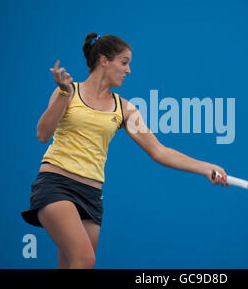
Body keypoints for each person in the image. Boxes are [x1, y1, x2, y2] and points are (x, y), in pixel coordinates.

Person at [21, 33, 229, 269]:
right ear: (103, 61)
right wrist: (64, 92)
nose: (128, 70)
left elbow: (159, 151)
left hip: (90, 195)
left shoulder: (125, 109)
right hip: (55, 184)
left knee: (71, 264)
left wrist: (205, 168)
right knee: (85, 259)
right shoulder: (69, 92)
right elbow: (43, 134)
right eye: (124, 62)